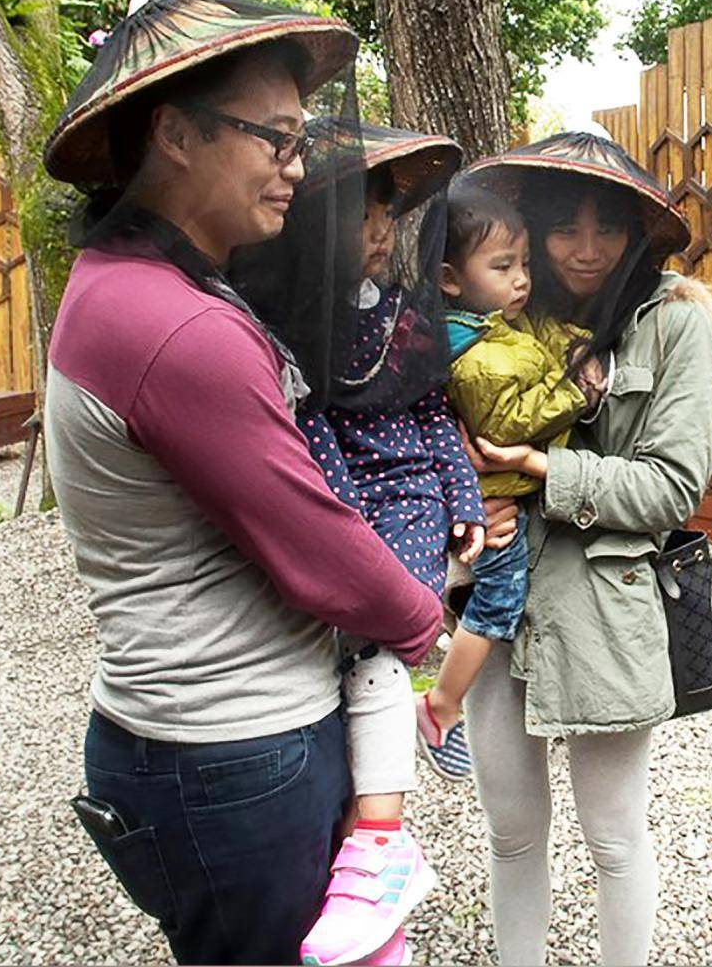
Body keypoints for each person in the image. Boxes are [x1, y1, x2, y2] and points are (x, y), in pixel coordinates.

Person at [42, 0, 442, 967]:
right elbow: (318, 554)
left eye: (300, 141)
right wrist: (429, 615)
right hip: (232, 750)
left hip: (178, 734)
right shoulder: (176, 325)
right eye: (275, 137)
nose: (297, 169)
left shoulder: (131, 285)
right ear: (175, 134)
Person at [457, 132, 712, 967]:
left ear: (636, 234)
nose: (583, 249)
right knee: (510, 834)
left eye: (604, 228)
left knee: (614, 838)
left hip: (608, 611)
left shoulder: (676, 328)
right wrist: (466, 495)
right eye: (563, 229)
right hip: (498, 603)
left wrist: (543, 468)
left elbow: (670, 490)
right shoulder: (498, 318)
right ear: (532, 231)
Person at [252, 122, 485, 967]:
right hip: (347, 503)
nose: (383, 231)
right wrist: (344, 530)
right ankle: (373, 848)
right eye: (363, 214)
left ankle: (381, 845)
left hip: (416, 495)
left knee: (379, 652)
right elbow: (306, 430)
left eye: (389, 214)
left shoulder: (403, 315)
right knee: (356, 656)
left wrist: (464, 496)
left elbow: (432, 412)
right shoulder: (289, 318)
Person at [415, 179, 607, 777]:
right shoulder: (467, 351)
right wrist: (575, 392)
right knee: (498, 601)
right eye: (503, 266)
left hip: (505, 499)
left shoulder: (497, 323)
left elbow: (539, 343)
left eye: (523, 263)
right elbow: (507, 425)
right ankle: (442, 704)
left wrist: (576, 344)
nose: (521, 279)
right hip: (496, 506)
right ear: (450, 278)